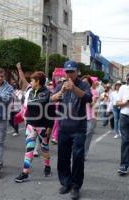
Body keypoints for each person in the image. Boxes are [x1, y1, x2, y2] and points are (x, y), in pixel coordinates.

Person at [51, 61, 92, 200]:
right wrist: (61, 91)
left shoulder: (84, 84)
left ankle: (75, 186)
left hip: (79, 128)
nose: (69, 74)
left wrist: (73, 88)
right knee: (63, 157)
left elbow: (88, 98)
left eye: (72, 71)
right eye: (67, 71)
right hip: (63, 127)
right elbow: (52, 98)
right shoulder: (60, 84)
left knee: (78, 158)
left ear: (77, 71)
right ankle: (65, 183)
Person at [14, 71, 55, 183]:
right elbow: (27, 106)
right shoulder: (30, 91)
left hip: (43, 126)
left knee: (44, 149)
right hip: (31, 125)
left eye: (32, 80)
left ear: (37, 81)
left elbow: (52, 112)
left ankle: (47, 166)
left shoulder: (48, 93)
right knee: (29, 149)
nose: (30, 82)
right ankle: (25, 172)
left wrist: (50, 128)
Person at [81, 75, 99, 159]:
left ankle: (84, 154)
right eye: (83, 82)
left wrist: (88, 97)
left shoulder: (94, 91)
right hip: (78, 117)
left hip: (90, 116)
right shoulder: (77, 90)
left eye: (87, 82)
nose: (85, 83)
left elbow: (92, 104)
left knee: (88, 135)